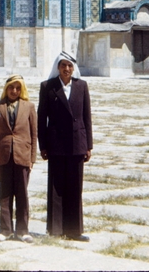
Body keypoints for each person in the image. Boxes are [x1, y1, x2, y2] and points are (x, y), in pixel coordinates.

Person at [37, 51, 93, 241]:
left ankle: (74, 230)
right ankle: (56, 229)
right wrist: (43, 145)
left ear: (73, 68)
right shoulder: (48, 87)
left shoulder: (82, 86)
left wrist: (89, 145)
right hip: (56, 144)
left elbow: (87, 117)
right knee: (56, 187)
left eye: (69, 66)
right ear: (58, 68)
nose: (67, 69)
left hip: (77, 143)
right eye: (63, 66)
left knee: (75, 187)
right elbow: (41, 118)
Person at [0, 74, 38, 243]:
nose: (14, 91)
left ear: (22, 89)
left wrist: (32, 158)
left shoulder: (29, 107)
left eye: (18, 88)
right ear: (6, 88)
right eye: (11, 87)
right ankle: (5, 230)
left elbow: (34, 134)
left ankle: (23, 230)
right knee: (5, 194)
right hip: (3, 156)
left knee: (22, 194)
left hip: (22, 156)